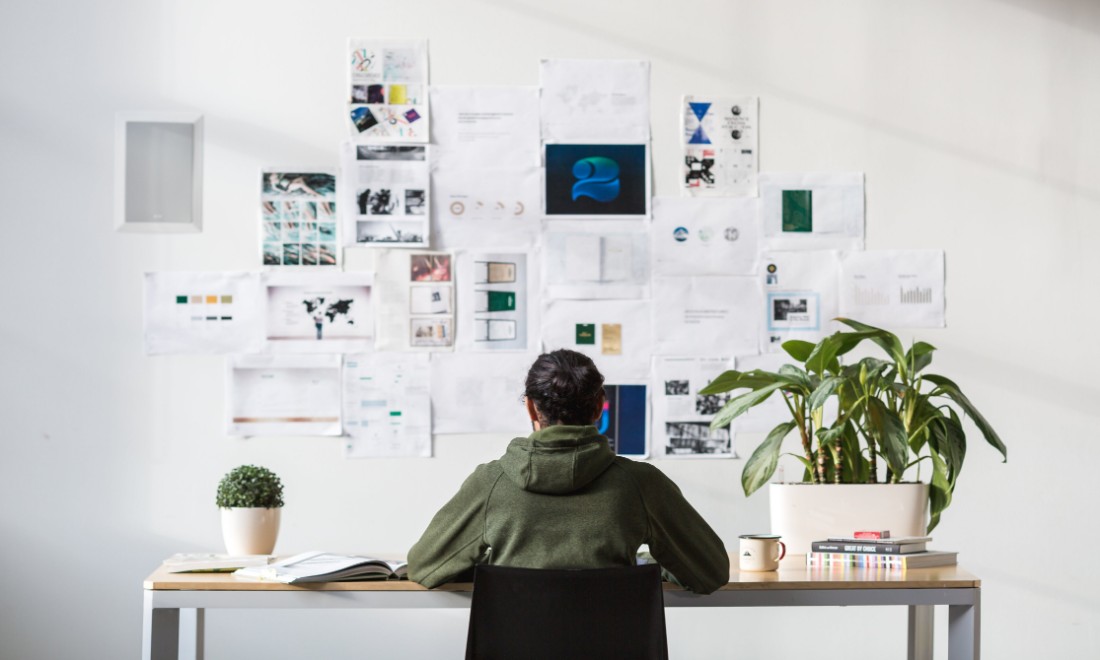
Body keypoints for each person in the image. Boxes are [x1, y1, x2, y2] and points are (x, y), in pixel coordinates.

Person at [407, 349, 730, 594]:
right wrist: (645, 569)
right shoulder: (641, 484)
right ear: (599, 407)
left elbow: (425, 567)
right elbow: (710, 572)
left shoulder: (492, 483)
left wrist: (496, 570)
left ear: (532, 407)